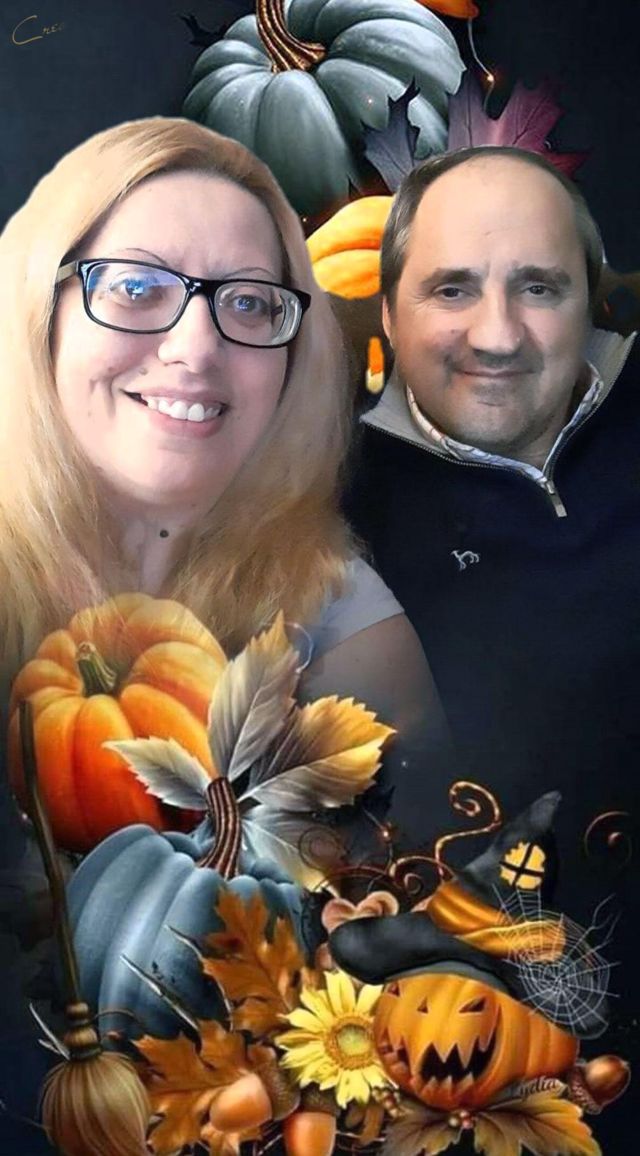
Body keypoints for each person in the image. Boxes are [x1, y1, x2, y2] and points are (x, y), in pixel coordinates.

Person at [0, 117, 451, 1153]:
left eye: (249, 303)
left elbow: (428, 942)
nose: (196, 347)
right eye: (135, 286)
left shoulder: (341, 609)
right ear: (39, 308)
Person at [347, 145, 638, 1150]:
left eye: (539, 288)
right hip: (520, 1040)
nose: (498, 334)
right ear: (388, 314)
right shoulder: (329, 510)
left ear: (592, 303)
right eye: (453, 289)